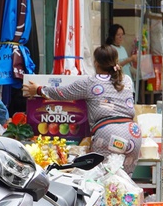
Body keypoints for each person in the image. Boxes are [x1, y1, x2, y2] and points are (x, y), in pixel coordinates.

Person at [23, 45, 142, 174]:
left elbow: (63, 93)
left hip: (108, 134)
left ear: (96, 63)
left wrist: (39, 89)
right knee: (124, 183)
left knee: (103, 180)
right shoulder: (127, 80)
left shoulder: (90, 82)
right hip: (133, 134)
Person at [106, 24, 135, 94]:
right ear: (113, 36)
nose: (120, 37)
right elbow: (114, 67)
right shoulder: (110, 49)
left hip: (127, 81)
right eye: (118, 35)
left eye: (122, 34)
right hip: (118, 83)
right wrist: (129, 59)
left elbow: (128, 67)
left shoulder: (123, 49)